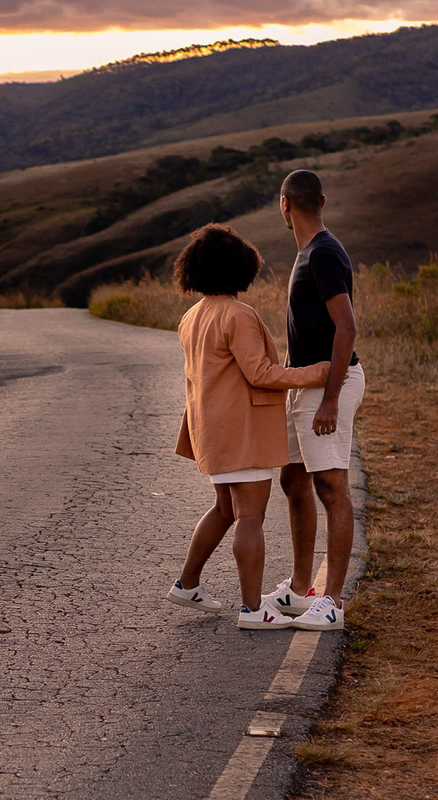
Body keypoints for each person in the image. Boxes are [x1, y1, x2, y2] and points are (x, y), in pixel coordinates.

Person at [166, 223, 329, 630]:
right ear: (241, 268)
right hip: (242, 430)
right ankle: (254, 610)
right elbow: (259, 373)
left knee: (225, 509)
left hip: (211, 429)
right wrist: (314, 374)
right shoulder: (237, 315)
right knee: (250, 516)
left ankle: (187, 584)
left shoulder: (192, 316)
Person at [262, 169, 365, 632]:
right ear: (319, 200)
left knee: (332, 488)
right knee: (292, 479)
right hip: (306, 384)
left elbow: (347, 328)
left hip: (329, 384)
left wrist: (330, 398)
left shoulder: (323, 253)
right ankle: (301, 589)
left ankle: (333, 601)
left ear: (285, 205)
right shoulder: (309, 252)